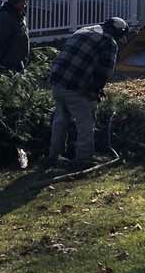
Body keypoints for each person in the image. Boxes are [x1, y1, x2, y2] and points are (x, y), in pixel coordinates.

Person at [44, 17, 129, 169]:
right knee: (86, 121)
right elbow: (103, 73)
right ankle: (83, 159)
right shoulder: (108, 42)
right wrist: (95, 92)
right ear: (117, 32)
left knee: (61, 118)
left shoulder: (84, 30)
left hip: (57, 81)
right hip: (74, 86)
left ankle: (54, 156)